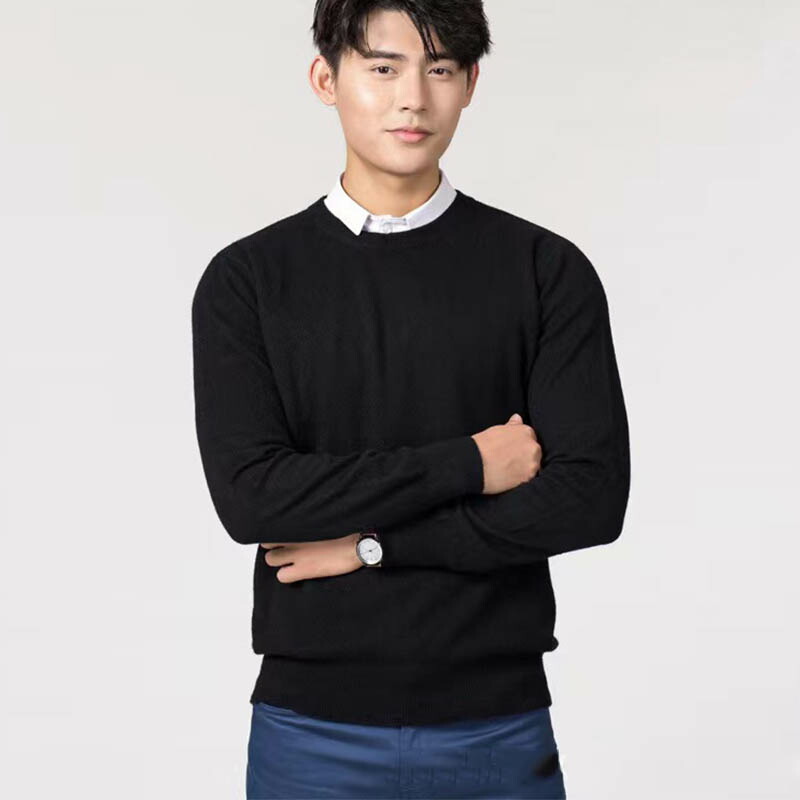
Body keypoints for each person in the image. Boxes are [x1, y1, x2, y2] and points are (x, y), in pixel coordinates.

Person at [191, 1, 631, 797]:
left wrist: (372, 546)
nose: (413, 99)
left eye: (441, 70)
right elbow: (253, 498)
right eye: (383, 68)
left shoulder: (543, 270)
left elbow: (589, 501)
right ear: (326, 78)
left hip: (498, 727)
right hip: (311, 732)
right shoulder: (248, 281)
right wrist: (470, 463)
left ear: (470, 84)